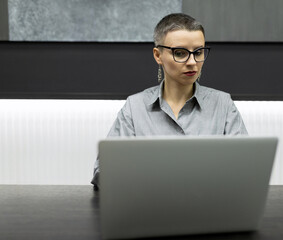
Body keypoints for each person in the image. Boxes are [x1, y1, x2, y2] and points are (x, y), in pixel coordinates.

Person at [91, 13, 247, 188]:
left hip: (208, 209)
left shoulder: (223, 104)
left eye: (198, 52)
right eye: (180, 53)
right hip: (147, 208)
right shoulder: (135, 107)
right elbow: (102, 172)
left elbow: (245, 169)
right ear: (158, 56)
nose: (192, 62)